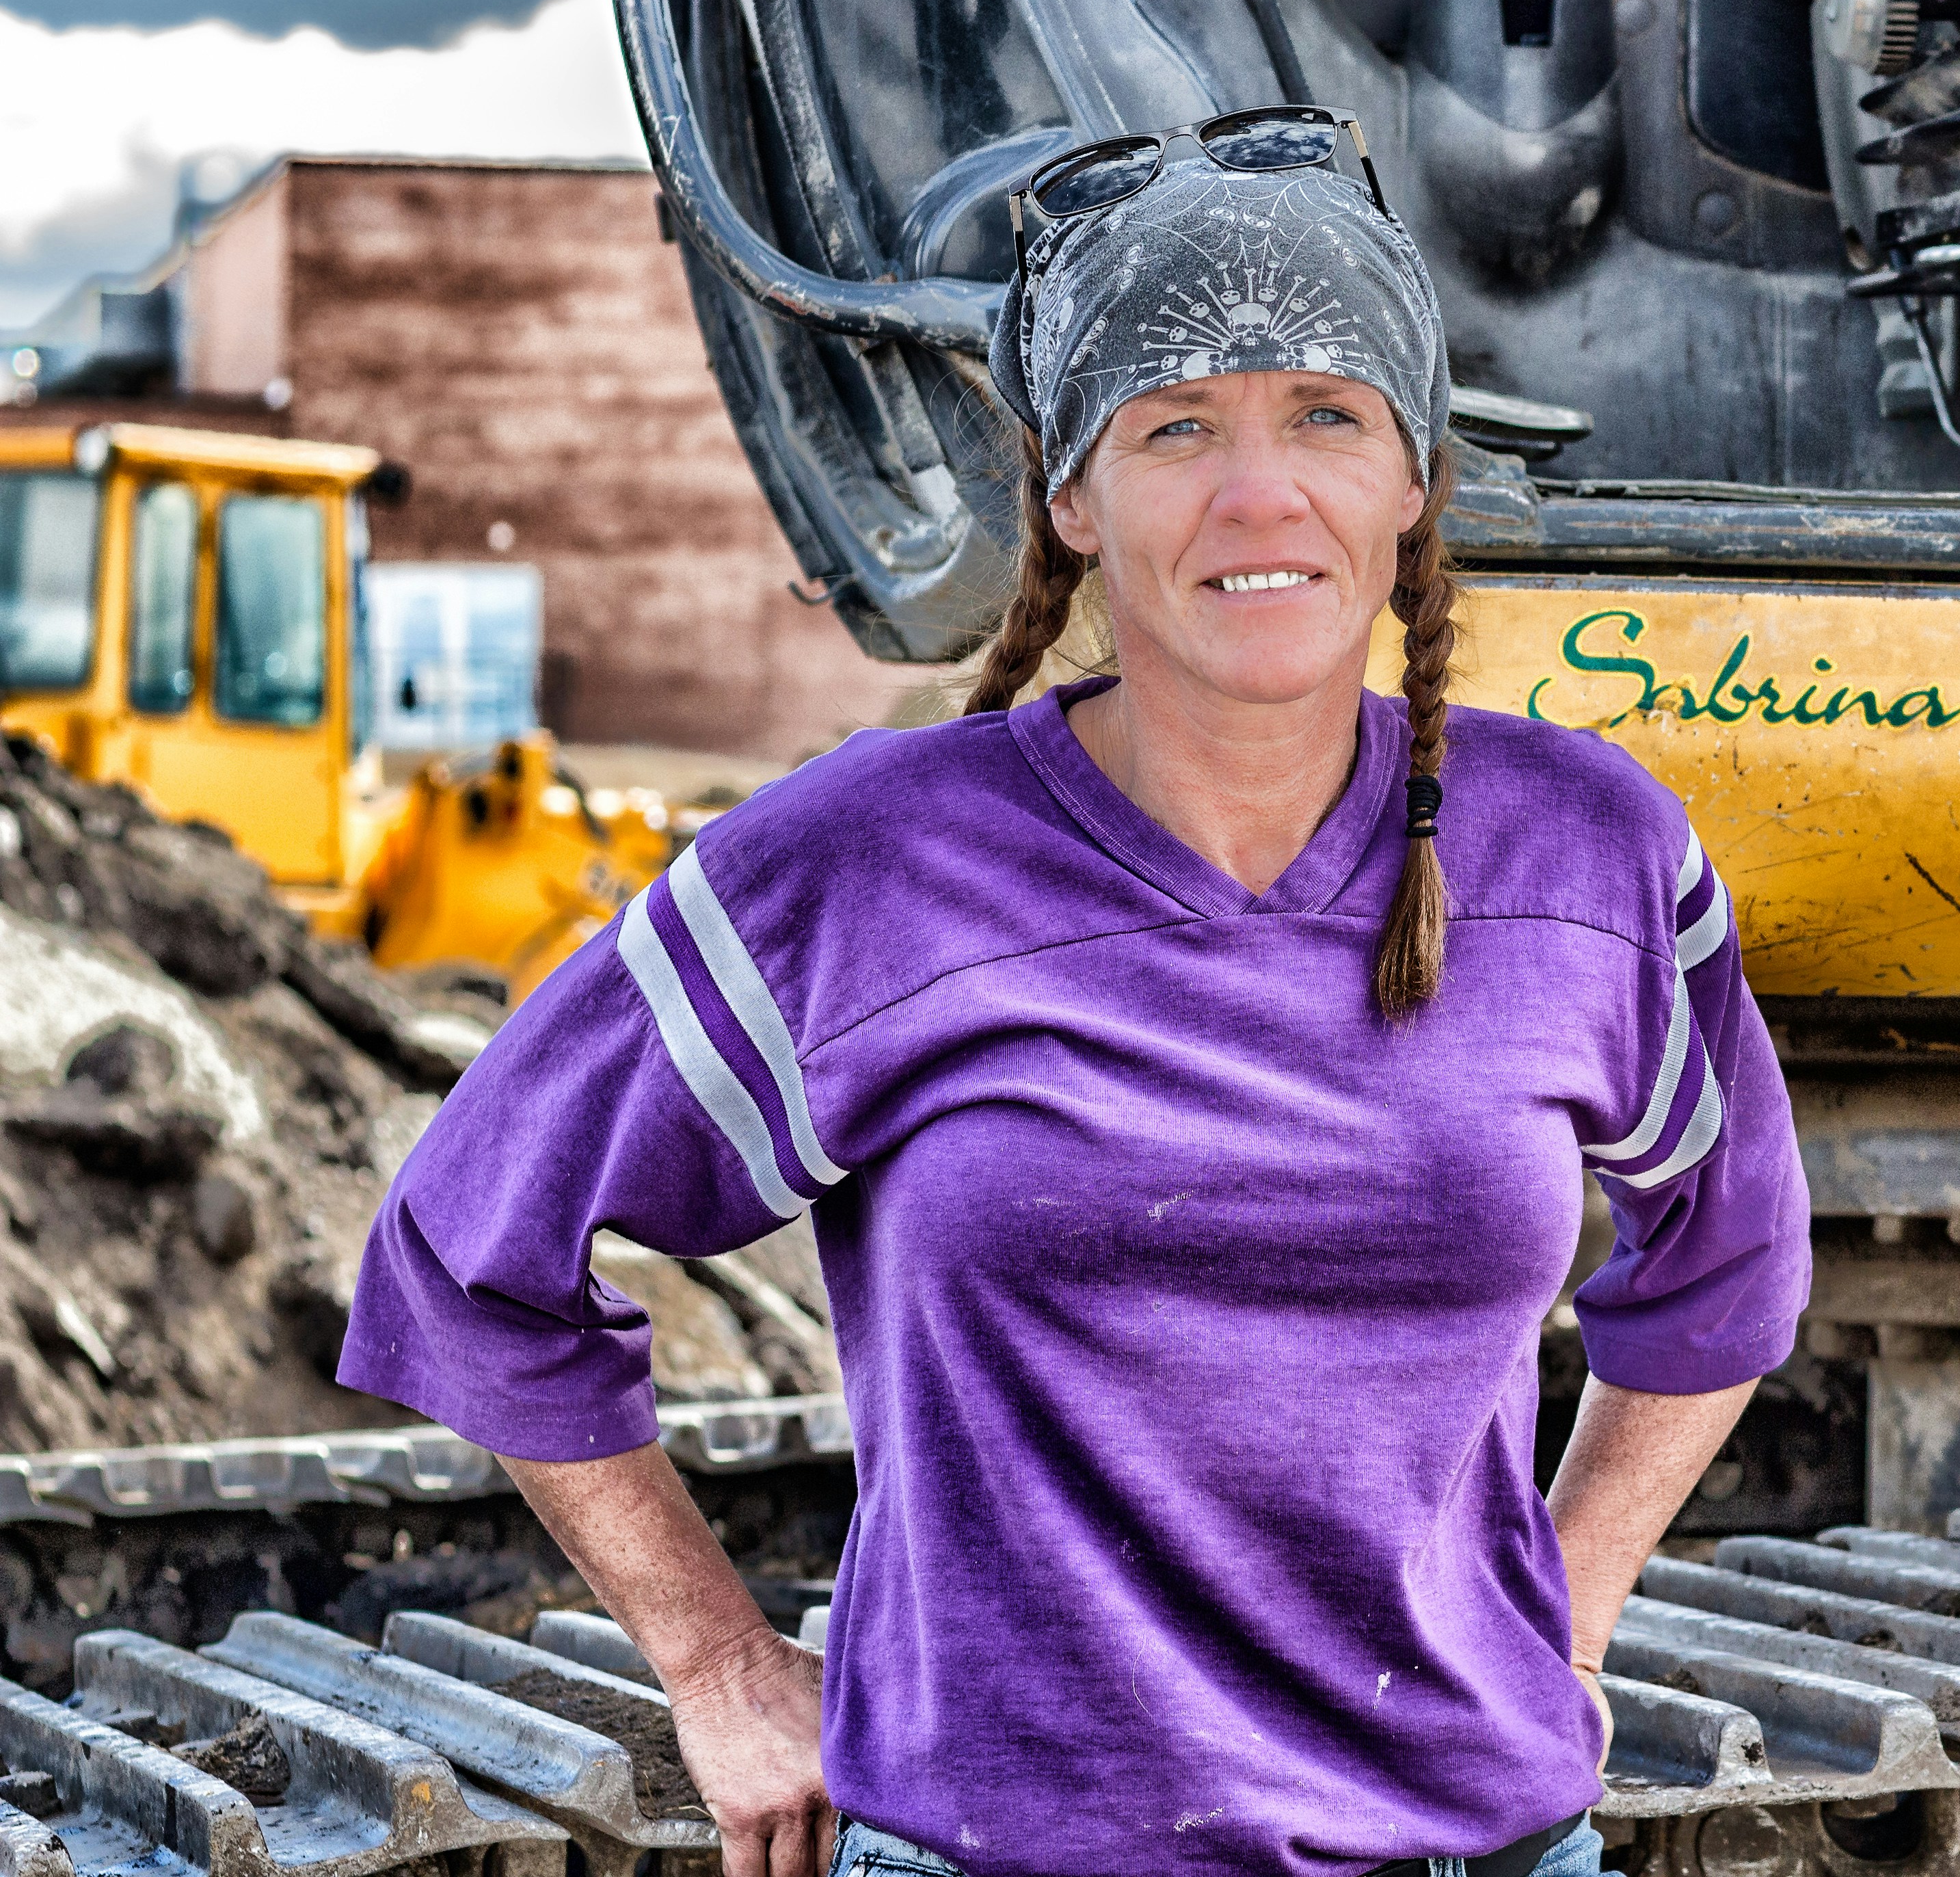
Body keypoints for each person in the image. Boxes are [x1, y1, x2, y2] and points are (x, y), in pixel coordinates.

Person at [338, 107, 1811, 1877]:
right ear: (1068, 497)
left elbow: (1730, 1251)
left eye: (1328, 416)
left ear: (1414, 476)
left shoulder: (1582, 855)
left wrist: (1564, 1613)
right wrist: (718, 1665)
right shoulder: (871, 868)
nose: (1260, 496)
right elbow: (472, 1246)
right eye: (1175, 425)